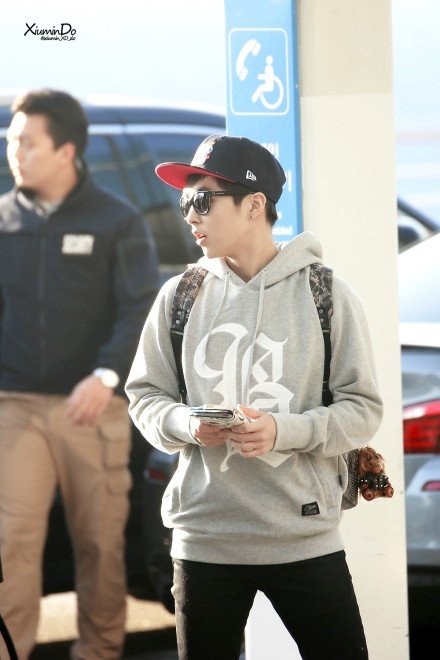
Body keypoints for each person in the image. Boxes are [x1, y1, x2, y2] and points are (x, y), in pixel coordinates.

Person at [125, 135, 383, 660]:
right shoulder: (180, 296)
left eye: (203, 200)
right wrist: (185, 423)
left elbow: (363, 408)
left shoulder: (325, 294)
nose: (189, 215)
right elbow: (145, 395)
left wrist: (283, 431)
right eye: (185, 201)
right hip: (205, 538)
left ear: (254, 204)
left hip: (303, 533)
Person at [0, 89, 160, 660]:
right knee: (11, 545)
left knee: (98, 542)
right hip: (15, 405)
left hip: (92, 406)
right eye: (12, 141)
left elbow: (141, 307)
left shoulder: (117, 220)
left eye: (27, 142)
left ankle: (98, 651)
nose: (15, 151)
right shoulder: (4, 219)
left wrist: (106, 375)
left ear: (65, 151)